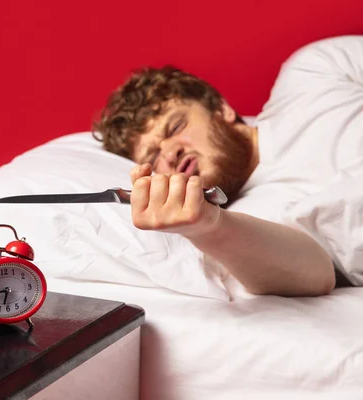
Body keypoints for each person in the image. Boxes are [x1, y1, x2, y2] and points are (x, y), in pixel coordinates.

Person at [92, 35, 363, 297]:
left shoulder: (311, 73)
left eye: (175, 127)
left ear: (221, 109)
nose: (169, 153)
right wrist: (208, 227)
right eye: (152, 158)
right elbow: (316, 275)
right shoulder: (248, 225)